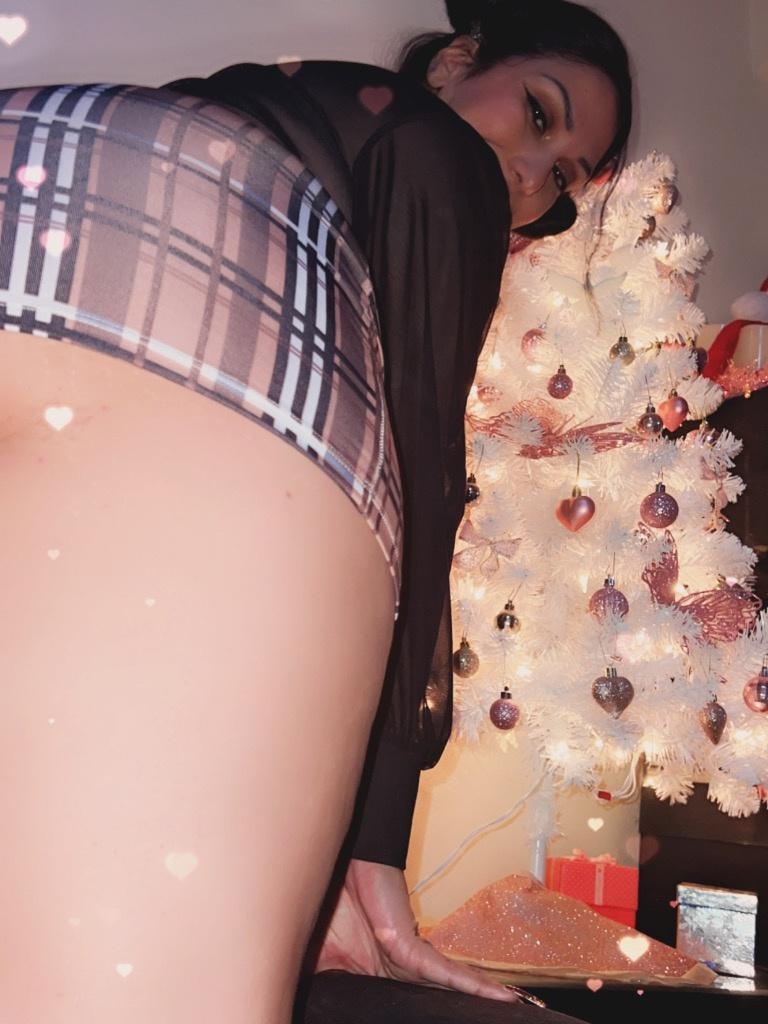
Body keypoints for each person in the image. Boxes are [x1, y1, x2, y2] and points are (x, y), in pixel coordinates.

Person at [0, 2, 631, 1022]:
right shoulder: (439, 153)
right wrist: (368, 842)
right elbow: (422, 466)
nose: (529, 172)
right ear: (458, 62)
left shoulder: (300, 101)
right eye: (538, 113)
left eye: (563, 177)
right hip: (193, 311)